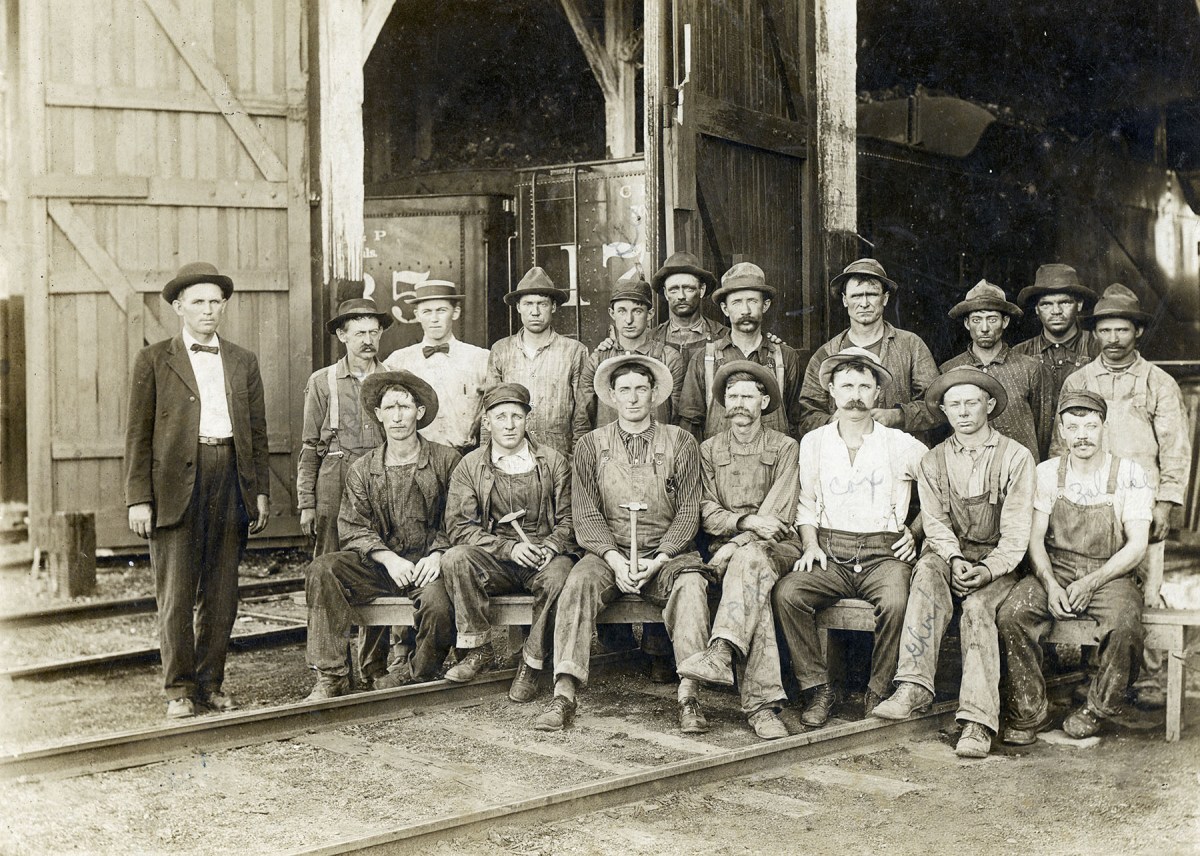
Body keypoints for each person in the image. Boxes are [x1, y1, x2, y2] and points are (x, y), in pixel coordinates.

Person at [535, 355, 713, 734]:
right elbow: (585, 514)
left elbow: (687, 513)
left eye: (641, 389)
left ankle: (689, 696)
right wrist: (614, 560)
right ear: (612, 397)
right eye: (624, 390)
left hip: (666, 554)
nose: (633, 398)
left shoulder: (680, 442)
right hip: (608, 552)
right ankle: (564, 693)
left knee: (693, 587)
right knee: (577, 584)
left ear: (654, 395)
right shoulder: (589, 445)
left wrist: (660, 558)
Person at [124, 262, 271, 719]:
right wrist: (138, 497)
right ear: (178, 307)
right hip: (173, 487)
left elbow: (257, 432)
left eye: (216, 301)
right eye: (199, 302)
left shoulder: (243, 360)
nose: (209, 310)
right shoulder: (153, 359)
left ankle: (211, 683)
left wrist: (259, 491)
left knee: (223, 592)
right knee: (177, 593)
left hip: (229, 476)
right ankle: (179, 690)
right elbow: (137, 433)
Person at [870, 367, 1035, 759]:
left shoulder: (1016, 457)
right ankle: (914, 685)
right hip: (952, 556)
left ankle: (978, 723)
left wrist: (988, 569)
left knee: (977, 610)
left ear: (989, 405)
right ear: (943, 410)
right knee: (926, 570)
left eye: (971, 403)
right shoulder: (934, 460)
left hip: (1000, 563)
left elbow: (1016, 535)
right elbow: (936, 523)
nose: (963, 412)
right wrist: (956, 558)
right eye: (954, 404)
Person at [772, 347, 926, 727]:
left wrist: (917, 530)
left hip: (884, 552)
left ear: (877, 393)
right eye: (847, 386)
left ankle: (879, 688)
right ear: (832, 392)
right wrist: (809, 545)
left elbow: (942, 486)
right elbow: (806, 502)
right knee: (788, 594)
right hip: (830, 549)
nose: (856, 395)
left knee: (896, 602)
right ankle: (818, 687)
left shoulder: (900, 443)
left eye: (864, 386)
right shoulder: (815, 442)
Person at [1054, 284, 1191, 707]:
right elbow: (1061, 445)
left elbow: (1175, 446)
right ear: (1095, 332)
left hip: (1142, 499)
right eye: (1105, 330)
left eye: (1122, 330)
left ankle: (1150, 679)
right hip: (1091, 499)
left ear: (1137, 333)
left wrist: (1165, 503)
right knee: (1098, 581)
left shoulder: (1158, 382)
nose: (1113, 339)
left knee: (1148, 587)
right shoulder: (1079, 380)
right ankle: (1099, 676)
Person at [998, 391, 1152, 742]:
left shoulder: (1130, 473)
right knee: (1012, 614)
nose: (1082, 435)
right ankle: (1028, 711)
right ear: (1062, 433)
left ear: (1103, 429)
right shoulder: (1047, 473)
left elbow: (1137, 545)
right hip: (1058, 568)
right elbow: (1035, 540)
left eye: (1090, 426)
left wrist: (1093, 582)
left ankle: (1097, 708)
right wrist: (1050, 584)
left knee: (1126, 627)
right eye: (1073, 427)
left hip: (1111, 572)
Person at [302, 371, 458, 701]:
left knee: (438, 605)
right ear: (378, 415)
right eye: (390, 408)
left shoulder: (446, 461)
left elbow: (460, 519)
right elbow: (352, 526)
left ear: (419, 412)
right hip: (384, 567)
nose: (398, 415)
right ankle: (331, 675)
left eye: (405, 406)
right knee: (322, 569)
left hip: (428, 567)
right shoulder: (363, 467)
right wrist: (386, 558)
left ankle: (415, 673)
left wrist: (438, 555)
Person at [676, 361, 801, 740]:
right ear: (723, 403)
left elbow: (778, 516)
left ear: (764, 401)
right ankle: (762, 708)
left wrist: (735, 543)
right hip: (729, 550)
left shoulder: (785, 447)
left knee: (749, 561)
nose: (740, 403)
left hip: (778, 548)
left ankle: (721, 652)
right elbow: (706, 511)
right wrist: (742, 528)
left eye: (749, 396)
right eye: (733, 396)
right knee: (754, 592)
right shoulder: (709, 450)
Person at [440, 383, 577, 703]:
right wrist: (509, 548)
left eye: (517, 416)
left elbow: (572, 519)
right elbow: (459, 527)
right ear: (486, 422)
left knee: (560, 575)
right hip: (496, 559)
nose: (510, 424)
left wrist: (551, 547)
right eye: (500, 417)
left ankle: (532, 663)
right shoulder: (470, 466)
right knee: (456, 558)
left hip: (544, 557)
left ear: (528, 420)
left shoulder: (555, 462)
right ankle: (477, 649)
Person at [796, 259, 940, 439]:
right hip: (845, 457)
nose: (864, 303)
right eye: (856, 296)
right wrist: (835, 420)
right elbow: (806, 416)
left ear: (885, 298)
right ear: (844, 300)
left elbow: (937, 404)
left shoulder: (911, 345)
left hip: (898, 457)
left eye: (871, 294)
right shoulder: (826, 353)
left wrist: (898, 415)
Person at [298, 297, 390, 557]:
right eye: (360, 333)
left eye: (373, 332)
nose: (368, 340)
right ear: (342, 335)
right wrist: (307, 503)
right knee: (330, 553)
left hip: (381, 474)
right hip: (335, 476)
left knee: (381, 548)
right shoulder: (321, 381)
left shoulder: (392, 378)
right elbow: (309, 445)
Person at [677, 262, 804, 441]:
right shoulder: (704, 359)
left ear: (765, 305)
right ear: (725, 309)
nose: (745, 310)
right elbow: (690, 424)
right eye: (737, 302)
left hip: (773, 465)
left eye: (752, 301)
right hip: (718, 465)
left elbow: (796, 421)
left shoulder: (785, 357)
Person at [484, 267, 588, 456]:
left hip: (559, 455)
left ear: (554, 307)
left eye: (542, 304)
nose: (535, 311)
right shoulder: (501, 350)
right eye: (528, 304)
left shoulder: (574, 351)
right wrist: (485, 456)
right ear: (518, 307)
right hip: (512, 457)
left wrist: (577, 459)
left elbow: (583, 414)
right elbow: (490, 407)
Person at [383, 279, 490, 456]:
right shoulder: (398, 361)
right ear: (417, 314)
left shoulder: (480, 358)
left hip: (464, 458)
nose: (434, 319)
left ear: (455, 312)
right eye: (427, 312)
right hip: (415, 459)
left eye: (441, 311)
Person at [939, 280, 1045, 459]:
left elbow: (1044, 429)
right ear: (966, 323)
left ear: (1005, 321)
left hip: (1019, 471)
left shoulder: (1030, 368)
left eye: (992, 319)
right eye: (976, 320)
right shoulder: (949, 370)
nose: (984, 328)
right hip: (967, 469)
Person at [574, 278, 686, 440]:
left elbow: (679, 417)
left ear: (650, 314)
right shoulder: (598, 359)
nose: (629, 320)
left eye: (637, 311)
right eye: (622, 311)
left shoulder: (669, 358)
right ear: (612, 313)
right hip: (609, 454)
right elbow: (582, 418)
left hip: (658, 453)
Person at [1011, 263, 1099, 454]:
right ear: (1036, 309)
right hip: (1033, 455)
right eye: (1046, 304)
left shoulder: (1097, 348)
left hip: (1085, 453)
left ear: (1080, 305)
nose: (1056, 311)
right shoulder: (1019, 354)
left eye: (1065, 302)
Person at [647, 251, 729, 369]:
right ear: (665, 293)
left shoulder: (724, 337)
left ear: (701, 290)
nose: (681, 296)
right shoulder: (651, 338)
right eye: (673, 290)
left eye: (688, 288)